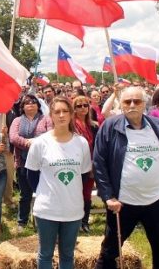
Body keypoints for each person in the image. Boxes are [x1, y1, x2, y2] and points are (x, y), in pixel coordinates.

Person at [93, 87, 159, 269]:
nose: (132, 105)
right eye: (127, 102)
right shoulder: (110, 127)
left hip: (156, 200)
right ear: (121, 104)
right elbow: (99, 163)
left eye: (137, 101)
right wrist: (108, 196)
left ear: (144, 104)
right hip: (122, 203)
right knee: (109, 251)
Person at [26, 97, 92, 269]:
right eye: (57, 112)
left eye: (65, 111)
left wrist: (70, 191)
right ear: (51, 116)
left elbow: (84, 176)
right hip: (47, 209)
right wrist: (46, 192)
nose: (61, 115)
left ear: (71, 114)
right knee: (46, 254)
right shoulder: (40, 143)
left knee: (67, 255)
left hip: (73, 209)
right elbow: (31, 175)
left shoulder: (81, 143)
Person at [9, 94, 51, 232]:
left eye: (34, 102)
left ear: (38, 105)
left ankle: (44, 220)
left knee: (43, 192)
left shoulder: (46, 119)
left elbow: (50, 135)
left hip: (43, 163)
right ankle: (22, 221)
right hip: (23, 162)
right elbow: (14, 138)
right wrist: (29, 143)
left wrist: (35, 142)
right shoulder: (17, 121)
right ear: (22, 107)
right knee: (25, 194)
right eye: (27, 103)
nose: (31, 105)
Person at [72, 95, 98, 233]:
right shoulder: (70, 126)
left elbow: (97, 147)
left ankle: (85, 222)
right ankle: (74, 222)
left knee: (86, 194)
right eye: (79, 106)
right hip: (74, 166)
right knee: (75, 194)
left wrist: (94, 165)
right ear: (74, 109)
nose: (83, 108)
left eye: (85, 105)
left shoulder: (94, 126)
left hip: (90, 165)